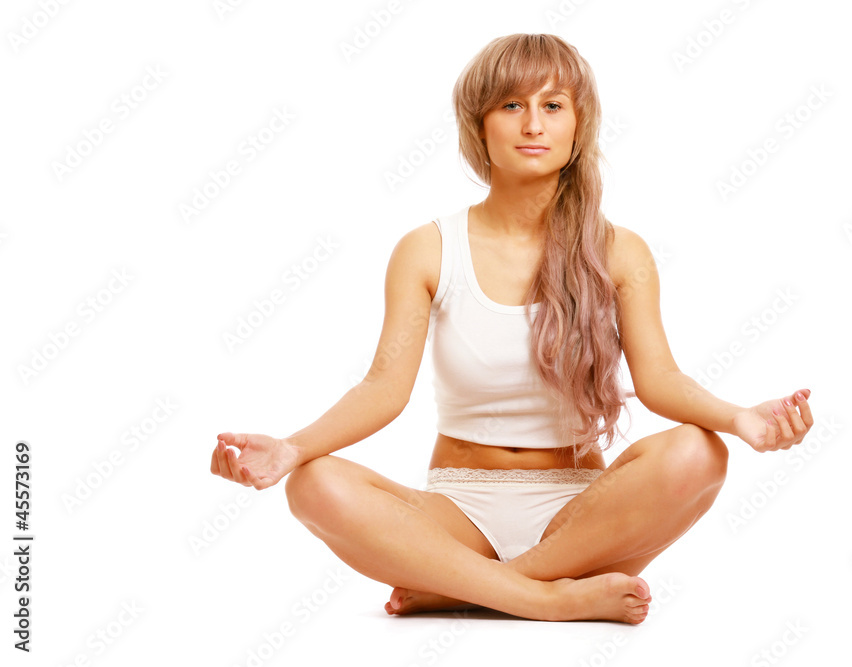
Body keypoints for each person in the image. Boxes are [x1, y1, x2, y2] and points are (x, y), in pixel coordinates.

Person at [209, 33, 813, 625]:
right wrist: (291, 449)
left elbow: (661, 380)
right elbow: (382, 389)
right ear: (480, 126)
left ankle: (466, 587)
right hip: (458, 511)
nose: (533, 125)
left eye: (553, 106)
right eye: (512, 105)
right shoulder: (427, 249)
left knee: (699, 452)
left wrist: (740, 419)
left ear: (579, 129)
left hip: (581, 514)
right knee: (313, 484)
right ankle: (546, 597)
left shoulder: (619, 251)